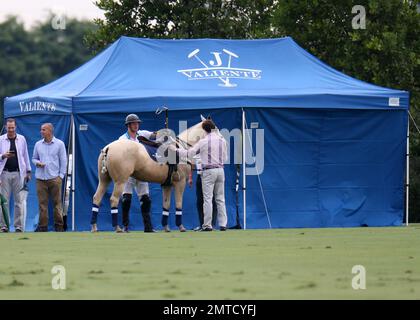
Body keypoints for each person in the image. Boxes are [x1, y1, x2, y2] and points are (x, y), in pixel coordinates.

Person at [175, 119, 228, 231]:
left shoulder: (203, 141)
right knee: (220, 198)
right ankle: (223, 224)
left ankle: (207, 225)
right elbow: (225, 158)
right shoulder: (222, 140)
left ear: (204, 130)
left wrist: (176, 150)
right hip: (220, 170)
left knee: (207, 199)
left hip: (208, 171)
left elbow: (190, 153)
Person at [119, 114, 156, 233]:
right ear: (128, 125)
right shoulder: (122, 139)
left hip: (141, 172)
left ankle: (148, 227)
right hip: (129, 173)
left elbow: (154, 135)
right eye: (134, 123)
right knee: (126, 199)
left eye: (137, 123)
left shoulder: (142, 134)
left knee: (145, 199)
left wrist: (163, 131)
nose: (136, 125)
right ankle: (125, 226)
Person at [32, 123, 67, 232]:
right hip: (40, 179)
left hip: (54, 178)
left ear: (50, 131)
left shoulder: (59, 144)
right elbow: (34, 158)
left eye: (43, 130)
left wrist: (60, 176)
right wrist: (37, 163)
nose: (41, 131)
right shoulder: (38, 144)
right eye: (41, 129)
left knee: (57, 203)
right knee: (42, 204)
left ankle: (59, 226)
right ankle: (43, 227)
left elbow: (64, 161)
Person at [0, 118, 32, 232]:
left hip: (19, 174)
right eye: (9, 128)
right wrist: (3, 156)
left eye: (12, 127)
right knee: (4, 202)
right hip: (4, 173)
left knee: (19, 201)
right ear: (5, 127)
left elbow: (25, 155)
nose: (11, 130)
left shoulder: (21, 139)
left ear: (15, 127)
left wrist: (28, 171)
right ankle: (4, 226)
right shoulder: (1, 139)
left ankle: (18, 226)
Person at [193, 154, 217, 231]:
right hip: (200, 175)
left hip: (209, 174)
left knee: (211, 200)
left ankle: (211, 224)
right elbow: (192, 162)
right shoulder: (197, 147)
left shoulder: (212, 149)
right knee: (200, 201)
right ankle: (202, 224)